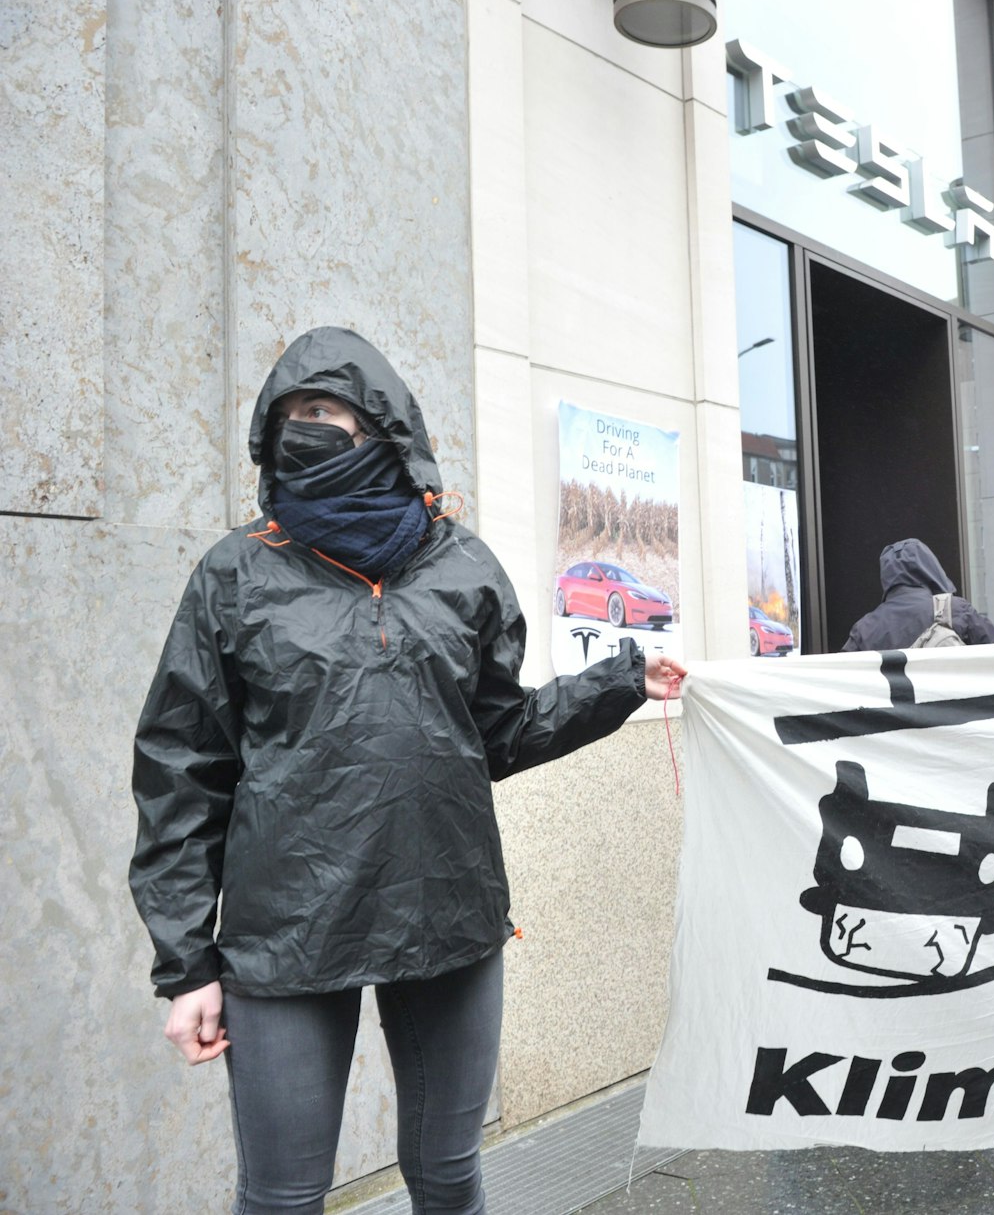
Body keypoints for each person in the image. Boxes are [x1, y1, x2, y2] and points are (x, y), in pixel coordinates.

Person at [130, 327, 686, 1215]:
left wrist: (619, 683)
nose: (302, 429)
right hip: (287, 932)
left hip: (447, 912)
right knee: (281, 1196)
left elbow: (500, 733)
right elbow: (180, 770)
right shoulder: (235, 574)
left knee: (449, 1175)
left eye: (325, 411)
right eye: (289, 415)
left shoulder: (461, 567)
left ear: (383, 425)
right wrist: (187, 963)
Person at [840, 537, 994, 650]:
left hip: (895, 722)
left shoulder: (864, 628)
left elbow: (842, 677)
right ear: (930, 567)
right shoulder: (952, 609)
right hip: (951, 717)